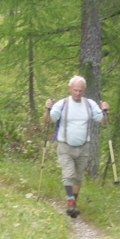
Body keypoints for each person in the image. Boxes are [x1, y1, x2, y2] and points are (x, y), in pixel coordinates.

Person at [43, 75, 110, 218]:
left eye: (80, 90)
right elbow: (48, 121)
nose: (77, 93)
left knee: (78, 177)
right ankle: (70, 202)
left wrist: (106, 111)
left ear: (84, 90)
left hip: (83, 146)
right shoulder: (62, 104)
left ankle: (73, 202)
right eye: (75, 90)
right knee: (69, 175)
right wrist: (47, 109)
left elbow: (103, 121)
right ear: (69, 89)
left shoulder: (89, 104)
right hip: (65, 146)